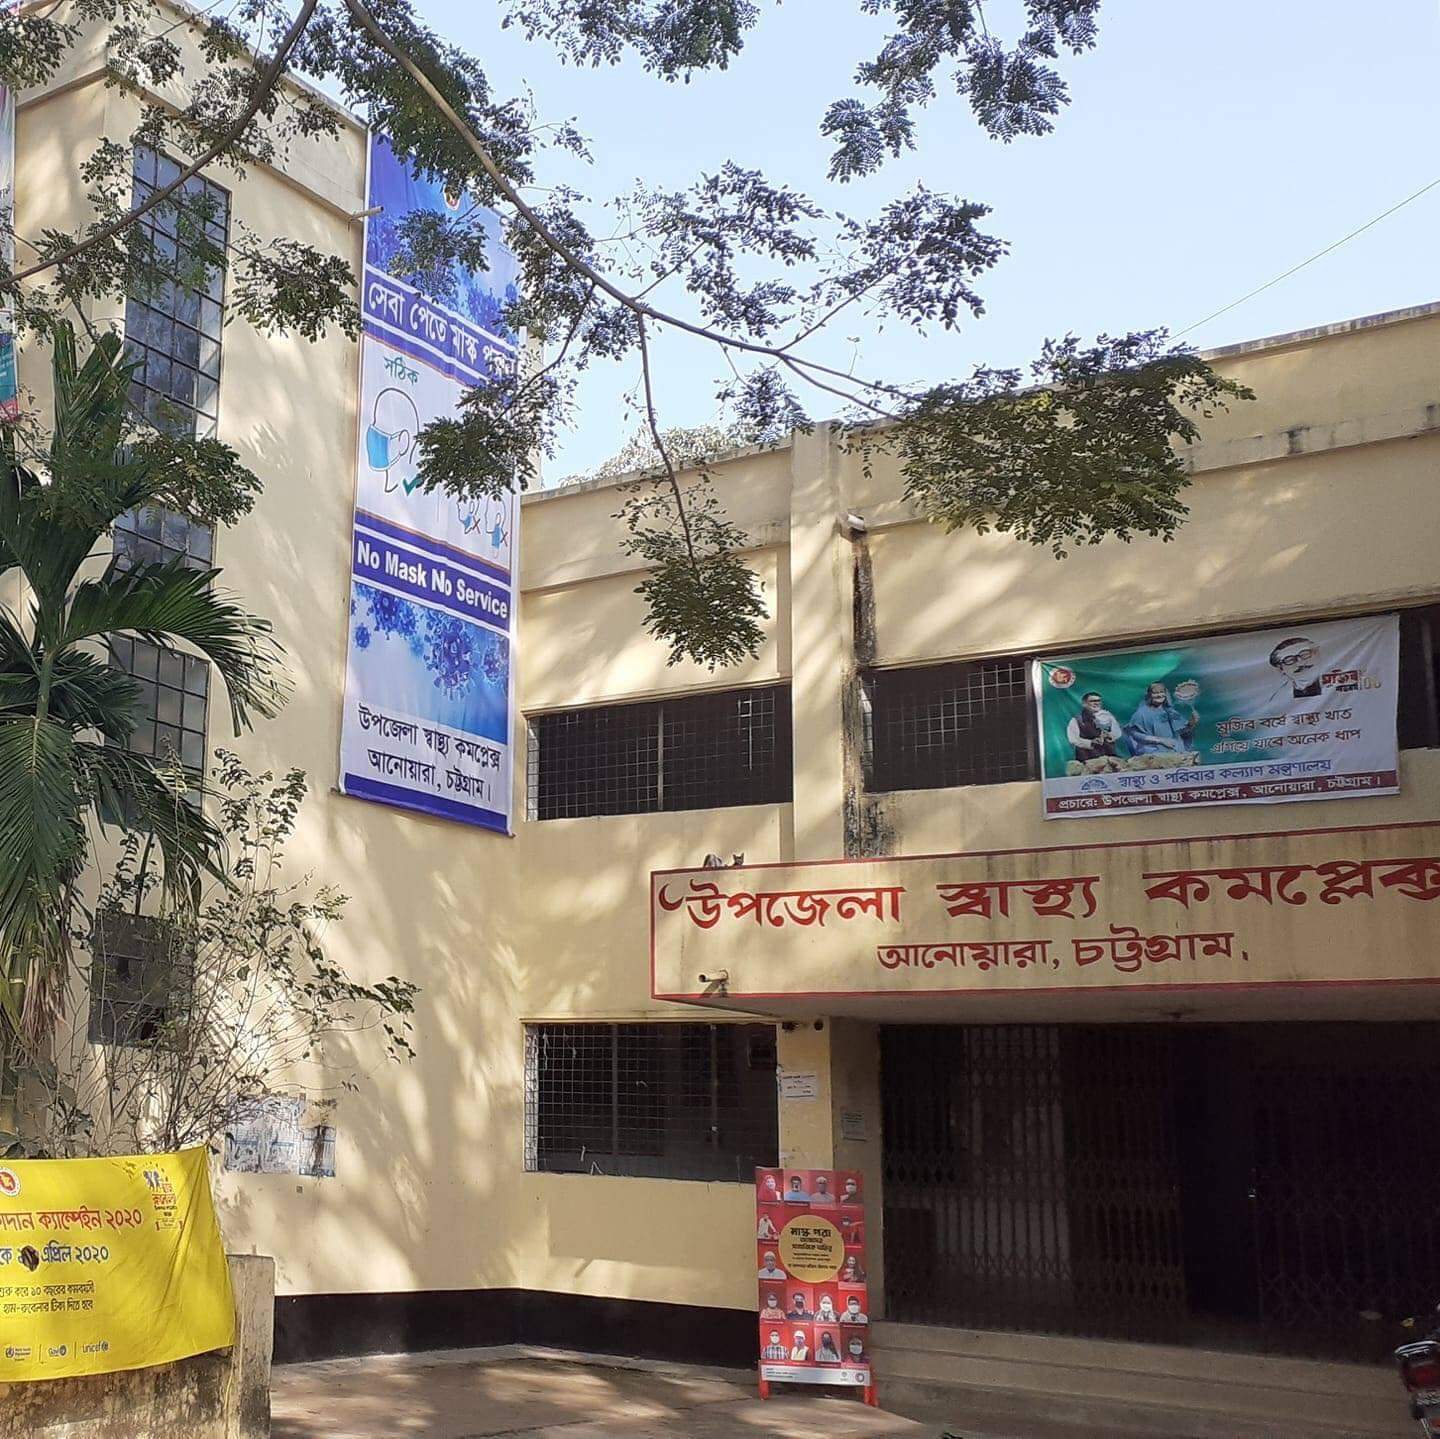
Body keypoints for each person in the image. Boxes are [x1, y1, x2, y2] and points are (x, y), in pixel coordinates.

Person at [1125, 683, 1198, 755]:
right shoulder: (1141, 714)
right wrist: (1161, 741)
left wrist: (1191, 724)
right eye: (1155, 693)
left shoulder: (1171, 712)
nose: (1159, 695)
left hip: (1176, 753)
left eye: (1161, 692)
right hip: (1153, 755)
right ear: (1149, 695)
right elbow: (1135, 735)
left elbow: (1182, 733)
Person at [1066, 691, 1122, 761]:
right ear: (1084, 704)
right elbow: (1073, 739)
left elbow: (1117, 732)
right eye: (1092, 701)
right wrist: (1091, 742)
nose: (1097, 703)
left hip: (1109, 759)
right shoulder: (1076, 720)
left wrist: (1111, 735)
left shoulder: (1108, 716)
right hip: (1087, 760)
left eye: (1098, 700)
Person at [1267, 636, 1325, 701]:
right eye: (1289, 660)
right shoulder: (1278, 699)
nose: (1300, 663)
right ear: (1281, 669)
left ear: (1317, 654)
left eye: (1304, 654)